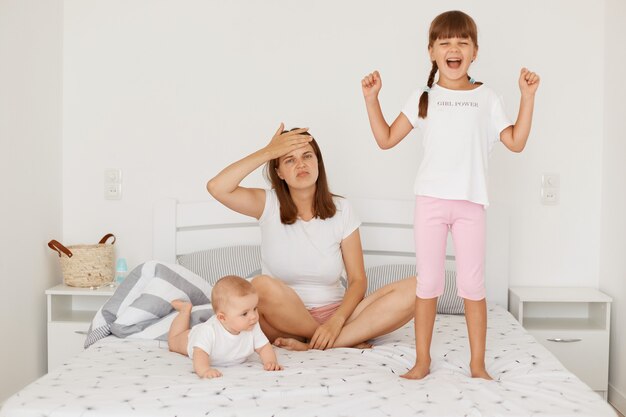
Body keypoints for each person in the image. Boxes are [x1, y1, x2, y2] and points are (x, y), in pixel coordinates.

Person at [361, 10, 540, 380]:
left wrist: (527, 97)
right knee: (428, 284)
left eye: (462, 42)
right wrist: (372, 99)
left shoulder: (487, 97)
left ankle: (478, 364)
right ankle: (422, 361)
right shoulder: (423, 97)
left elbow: (516, 142)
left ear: (474, 52)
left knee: (472, 286)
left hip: (471, 204)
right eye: (445, 42)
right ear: (431, 51)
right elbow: (386, 139)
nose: (453, 48)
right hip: (430, 203)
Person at [206, 124, 416, 351]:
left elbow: (357, 281)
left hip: (338, 316)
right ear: (279, 173)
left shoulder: (342, 209)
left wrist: (335, 323)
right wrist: (269, 152)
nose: (301, 164)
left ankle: (321, 342)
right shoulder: (267, 204)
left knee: (418, 287)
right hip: (283, 322)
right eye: (289, 160)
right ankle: (328, 339)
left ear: (318, 163)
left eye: (307, 156)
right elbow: (217, 187)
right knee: (261, 286)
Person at [167, 275, 283, 378]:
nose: (253, 316)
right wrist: (204, 370)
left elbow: (264, 347)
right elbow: (200, 354)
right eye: (245, 313)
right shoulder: (208, 331)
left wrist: (270, 362)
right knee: (173, 342)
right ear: (222, 318)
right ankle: (185, 310)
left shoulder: (252, 326)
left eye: (255, 309)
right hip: (192, 339)